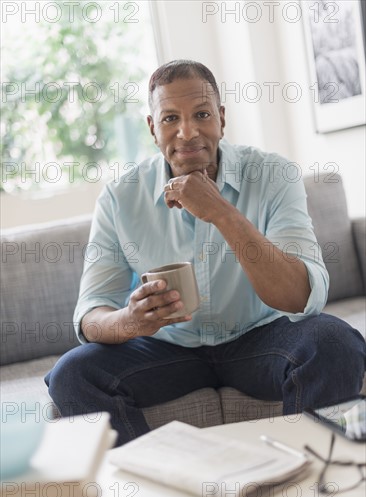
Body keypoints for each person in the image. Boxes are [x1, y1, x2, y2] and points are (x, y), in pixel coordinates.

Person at [45, 60, 365, 446]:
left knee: (333, 342)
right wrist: (130, 321)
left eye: (201, 114)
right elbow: (91, 314)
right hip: (168, 348)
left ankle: (313, 475)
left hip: (261, 338)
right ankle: (153, 486)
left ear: (222, 119)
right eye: (169, 119)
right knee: (73, 374)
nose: (187, 132)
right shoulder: (120, 196)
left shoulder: (274, 175)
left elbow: (300, 297)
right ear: (152, 128)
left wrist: (221, 212)